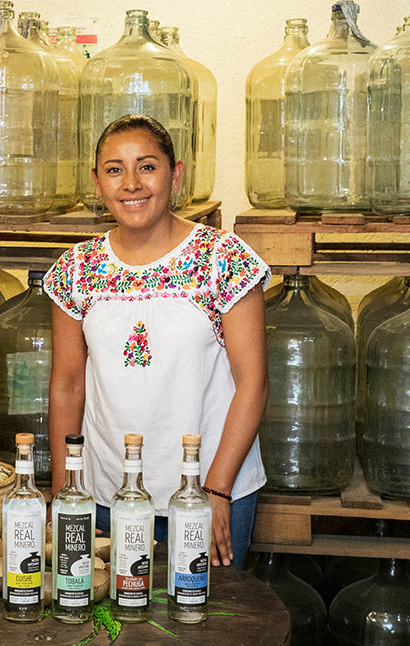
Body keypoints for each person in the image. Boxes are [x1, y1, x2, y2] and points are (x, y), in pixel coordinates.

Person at [45, 114, 268, 568]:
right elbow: (67, 384)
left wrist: (216, 490)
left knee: (203, 609)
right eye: (114, 170)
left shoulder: (223, 259)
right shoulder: (76, 269)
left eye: (147, 166)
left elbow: (253, 383)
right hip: (104, 495)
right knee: (107, 607)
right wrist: (64, 489)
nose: (131, 183)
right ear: (97, 182)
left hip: (207, 492)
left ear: (175, 174)